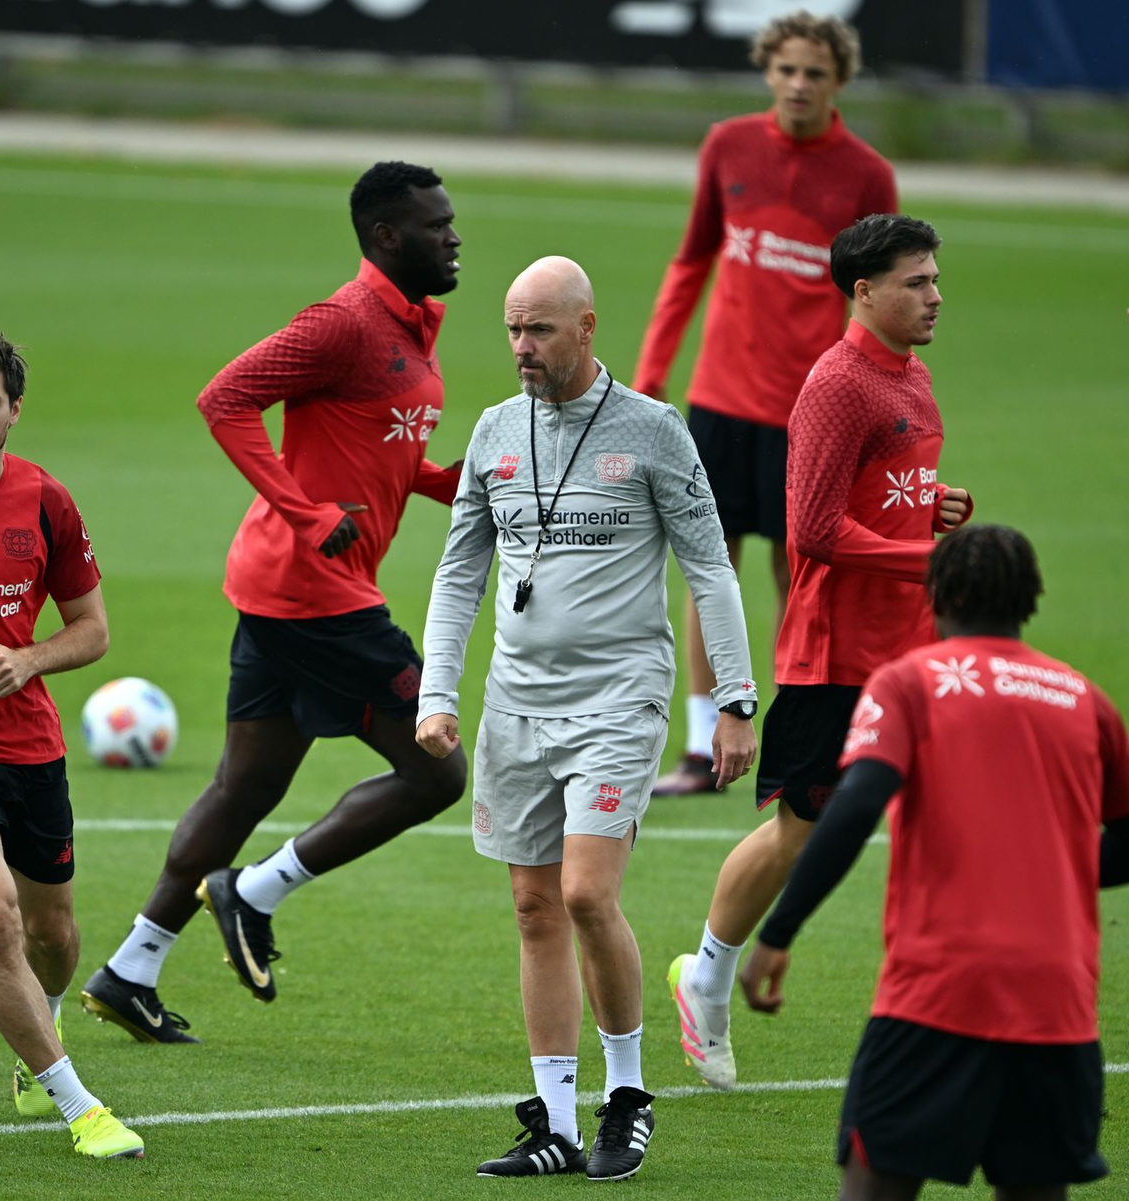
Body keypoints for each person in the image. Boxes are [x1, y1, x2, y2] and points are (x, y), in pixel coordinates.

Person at [81, 161, 467, 1043]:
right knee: (437, 771)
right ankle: (254, 890)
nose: (454, 237)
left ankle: (129, 969)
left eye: (453, 222)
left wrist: (478, 488)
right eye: (436, 225)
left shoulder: (418, 322)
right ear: (385, 238)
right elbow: (225, 399)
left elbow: (391, 456)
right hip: (314, 591)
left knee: (245, 785)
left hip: (282, 589)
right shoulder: (345, 323)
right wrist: (305, 511)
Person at [415, 256, 758, 1181]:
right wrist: (436, 693)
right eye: (512, 329)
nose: (523, 348)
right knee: (532, 905)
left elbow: (710, 566)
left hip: (618, 696)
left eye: (541, 330)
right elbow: (459, 575)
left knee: (584, 893)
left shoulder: (652, 431)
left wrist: (733, 700)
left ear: (588, 325)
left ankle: (629, 1095)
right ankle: (557, 1122)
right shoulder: (493, 431)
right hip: (516, 702)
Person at [742, 524, 1129, 1200]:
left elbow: (858, 799)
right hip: (1057, 1007)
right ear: (1031, 598)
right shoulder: (1083, 698)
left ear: (932, 592)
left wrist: (777, 934)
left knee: (876, 1186)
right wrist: (1053, 869)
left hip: (937, 995)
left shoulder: (910, 683)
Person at [666, 213, 973, 1091]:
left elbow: (877, 490)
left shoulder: (910, 375)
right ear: (864, 290)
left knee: (941, 813)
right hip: (835, 654)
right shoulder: (838, 383)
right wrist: (926, 556)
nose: (935, 296)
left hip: (909, 648)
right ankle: (708, 977)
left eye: (935, 279)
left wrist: (931, 504)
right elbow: (813, 528)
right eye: (916, 282)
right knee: (801, 832)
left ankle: (946, 1006)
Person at [634, 9, 898, 796]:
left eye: (815, 73)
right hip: (718, 400)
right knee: (708, 571)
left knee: (804, 577)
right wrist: (653, 370)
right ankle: (698, 749)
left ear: (838, 81)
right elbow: (691, 261)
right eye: (786, 69)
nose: (798, 85)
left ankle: (798, 738)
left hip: (809, 413)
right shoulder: (729, 147)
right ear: (766, 71)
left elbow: (880, 297)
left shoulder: (865, 174)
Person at [0, 332, 143, 1159]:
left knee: (50, 935)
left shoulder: (42, 500)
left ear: (14, 410)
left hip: (28, 749)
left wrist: (31, 657)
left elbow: (93, 629)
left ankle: (44, 1015)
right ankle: (81, 1107)